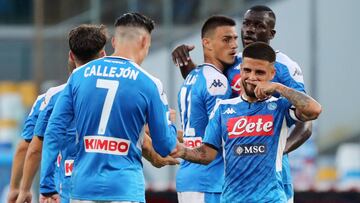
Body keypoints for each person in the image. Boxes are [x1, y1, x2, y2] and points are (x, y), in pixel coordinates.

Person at [171, 5, 312, 201]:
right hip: (237, 173)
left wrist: (277, 152)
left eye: (258, 25)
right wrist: (186, 62)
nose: (249, 30)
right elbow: (209, 88)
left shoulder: (284, 66)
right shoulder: (234, 62)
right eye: (246, 24)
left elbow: (306, 122)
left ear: (271, 33)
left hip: (274, 175)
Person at [40, 12, 178, 203]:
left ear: (113, 41)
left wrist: (47, 185)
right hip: (125, 189)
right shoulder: (149, 83)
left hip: (83, 189)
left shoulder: (79, 75)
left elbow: (54, 131)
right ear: (145, 41)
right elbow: (165, 146)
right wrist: (168, 122)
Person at [15, 24, 108, 203]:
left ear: (71, 56)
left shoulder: (53, 97)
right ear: (104, 55)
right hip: (116, 187)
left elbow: (31, 148)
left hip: (69, 189)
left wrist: (21, 188)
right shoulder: (124, 92)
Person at [176, 16, 236, 203]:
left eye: (235, 39)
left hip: (189, 178)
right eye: (226, 39)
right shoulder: (217, 83)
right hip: (209, 180)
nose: (234, 45)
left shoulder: (193, 75)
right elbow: (219, 136)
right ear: (207, 43)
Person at [7, 94, 45, 203]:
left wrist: (19, 188)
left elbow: (27, 148)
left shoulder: (48, 98)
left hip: (58, 187)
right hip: (96, 183)